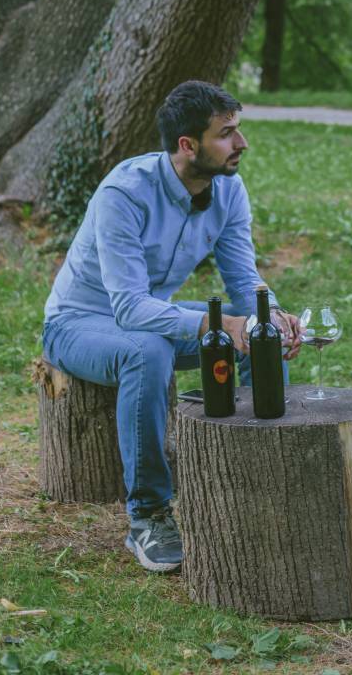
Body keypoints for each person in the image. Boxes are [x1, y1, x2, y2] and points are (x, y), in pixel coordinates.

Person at [42, 80, 301, 573]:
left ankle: (263, 480)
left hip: (148, 320)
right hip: (79, 325)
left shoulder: (228, 187)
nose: (241, 144)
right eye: (227, 134)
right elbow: (130, 310)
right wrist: (219, 322)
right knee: (149, 352)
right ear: (188, 145)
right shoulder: (125, 191)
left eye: (238, 130)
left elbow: (244, 280)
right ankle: (148, 515)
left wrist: (272, 319)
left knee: (255, 340)